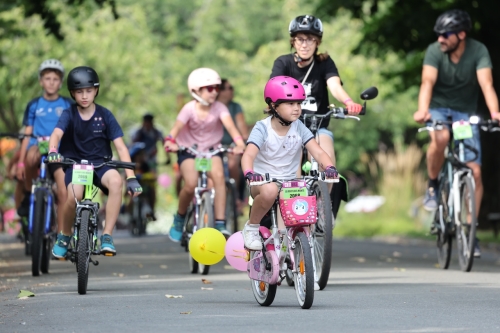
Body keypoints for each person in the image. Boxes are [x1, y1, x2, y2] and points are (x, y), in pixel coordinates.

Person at [413, 9, 500, 258]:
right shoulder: (434, 51)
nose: (440, 39)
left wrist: (495, 113)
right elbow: (427, 83)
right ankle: (433, 184)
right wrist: (422, 110)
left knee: (475, 171)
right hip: (438, 109)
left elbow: (487, 84)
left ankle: (471, 229)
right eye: (438, 34)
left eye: (446, 35)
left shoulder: (478, 50)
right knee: (440, 138)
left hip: (464, 114)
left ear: (461, 35)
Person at [241, 76, 339, 290]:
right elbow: (248, 155)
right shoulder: (262, 128)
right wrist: (250, 172)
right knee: (269, 191)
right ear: (273, 106)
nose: (297, 108)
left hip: (290, 184)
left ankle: (302, 263)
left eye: (299, 103)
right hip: (263, 180)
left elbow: (318, 151)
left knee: (300, 220)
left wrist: (329, 167)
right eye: (291, 103)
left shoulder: (299, 127)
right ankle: (252, 227)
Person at [270, 15, 362, 217]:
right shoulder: (284, 63)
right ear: (293, 41)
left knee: (328, 163)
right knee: (290, 173)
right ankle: (291, 218)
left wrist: (348, 102)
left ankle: (322, 211)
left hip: (318, 125)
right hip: (290, 126)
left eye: (310, 39)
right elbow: (274, 88)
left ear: (317, 42)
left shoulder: (324, 63)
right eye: (300, 39)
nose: (305, 44)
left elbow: (334, 85)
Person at [48, 66, 142, 258]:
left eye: (89, 91)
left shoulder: (105, 115)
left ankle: (107, 235)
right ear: (72, 93)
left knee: (116, 181)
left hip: (101, 164)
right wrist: (52, 151)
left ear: (96, 91)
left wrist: (131, 177)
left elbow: (121, 147)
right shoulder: (69, 114)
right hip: (75, 165)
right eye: (79, 91)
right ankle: (64, 235)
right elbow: (56, 134)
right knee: (74, 194)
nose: (84, 95)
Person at [164, 68, 246, 241]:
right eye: (209, 88)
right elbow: (175, 130)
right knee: (191, 183)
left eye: (216, 88)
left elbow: (231, 128)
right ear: (196, 90)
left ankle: (220, 222)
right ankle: (179, 218)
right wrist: (170, 141)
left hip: (211, 151)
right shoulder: (189, 109)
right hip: (189, 151)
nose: (215, 92)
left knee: (219, 178)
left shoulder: (220, 108)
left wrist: (239, 143)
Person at [16, 59, 73, 236]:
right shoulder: (34, 105)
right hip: (37, 145)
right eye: (47, 78)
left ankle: (62, 235)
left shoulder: (67, 104)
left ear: (60, 82)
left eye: (55, 79)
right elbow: (27, 134)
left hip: (57, 149)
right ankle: (28, 194)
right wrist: (20, 163)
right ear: (41, 81)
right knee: (30, 157)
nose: (51, 82)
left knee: (64, 191)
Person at [217, 78, 249, 213]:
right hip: (213, 145)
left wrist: (242, 141)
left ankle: (234, 195)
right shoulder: (212, 106)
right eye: (227, 88)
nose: (231, 90)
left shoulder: (235, 107)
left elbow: (242, 128)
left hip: (231, 145)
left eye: (231, 87)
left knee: (232, 164)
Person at [131, 113, 163, 219]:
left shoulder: (156, 132)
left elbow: (164, 143)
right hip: (137, 162)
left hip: (151, 162)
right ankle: (129, 207)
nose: (148, 124)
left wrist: (167, 158)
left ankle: (152, 210)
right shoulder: (138, 133)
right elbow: (132, 145)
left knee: (152, 186)